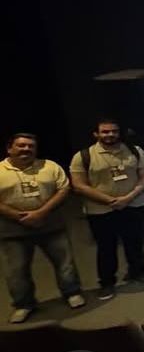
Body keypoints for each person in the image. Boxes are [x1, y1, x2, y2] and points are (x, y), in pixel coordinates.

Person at [1, 133, 84, 323]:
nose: (26, 149)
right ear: (10, 148)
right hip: (13, 229)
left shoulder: (50, 166)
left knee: (65, 263)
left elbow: (63, 189)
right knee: (16, 270)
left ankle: (72, 293)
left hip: (50, 224)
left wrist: (41, 212)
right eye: (21, 145)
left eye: (30, 146)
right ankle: (23, 304)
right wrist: (18, 216)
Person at [70, 119, 144, 299]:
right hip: (100, 210)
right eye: (105, 132)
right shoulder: (83, 156)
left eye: (114, 131)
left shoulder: (135, 151)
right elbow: (79, 185)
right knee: (106, 247)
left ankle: (138, 272)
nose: (110, 135)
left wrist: (128, 198)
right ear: (96, 134)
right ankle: (107, 282)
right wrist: (110, 200)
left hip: (133, 205)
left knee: (134, 243)